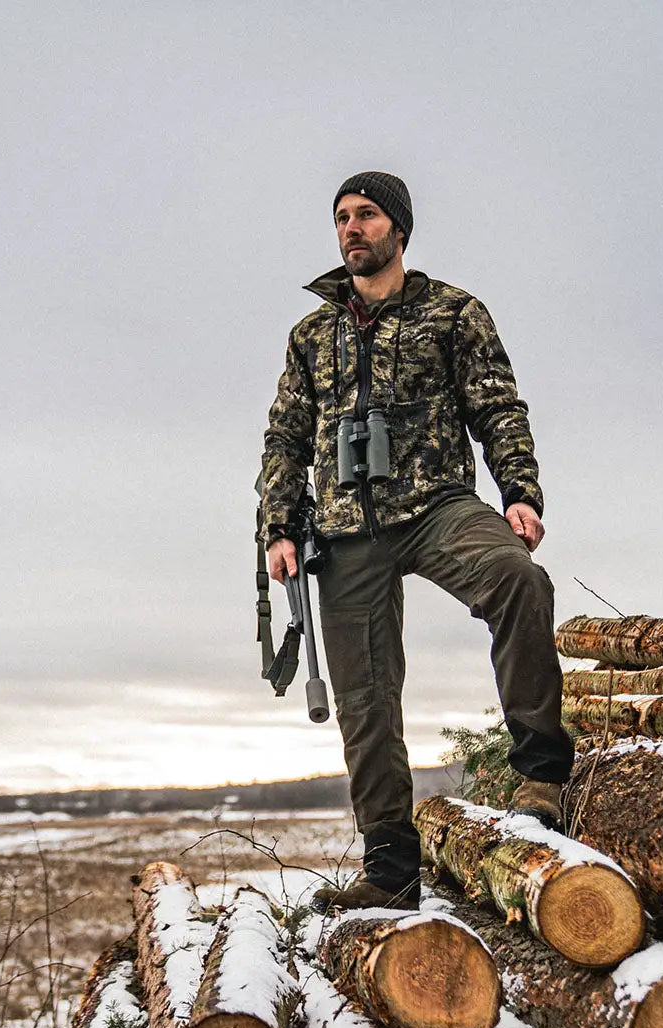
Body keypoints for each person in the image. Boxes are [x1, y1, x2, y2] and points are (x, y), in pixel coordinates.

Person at [259, 171, 574, 911]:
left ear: (398, 229)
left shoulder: (454, 313)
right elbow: (285, 433)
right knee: (365, 701)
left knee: (519, 580)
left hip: (437, 505)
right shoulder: (311, 335)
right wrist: (277, 523)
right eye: (341, 218)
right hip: (344, 530)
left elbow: (497, 407)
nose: (351, 228)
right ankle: (392, 866)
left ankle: (541, 777)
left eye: (366, 215)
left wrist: (520, 492)